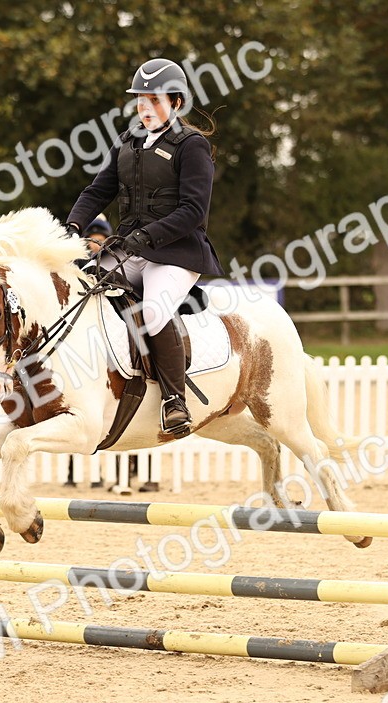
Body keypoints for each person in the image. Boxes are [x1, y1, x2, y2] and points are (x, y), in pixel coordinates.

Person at [65, 57, 222, 438]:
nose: (145, 108)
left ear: (177, 103)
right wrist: (70, 227)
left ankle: (173, 400)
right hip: (130, 248)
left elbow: (193, 211)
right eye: (140, 100)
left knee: (152, 310)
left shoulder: (192, 146)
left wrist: (147, 238)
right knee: (83, 290)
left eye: (155, 100)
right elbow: (97, 190)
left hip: (177, 253)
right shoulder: (129, 141)